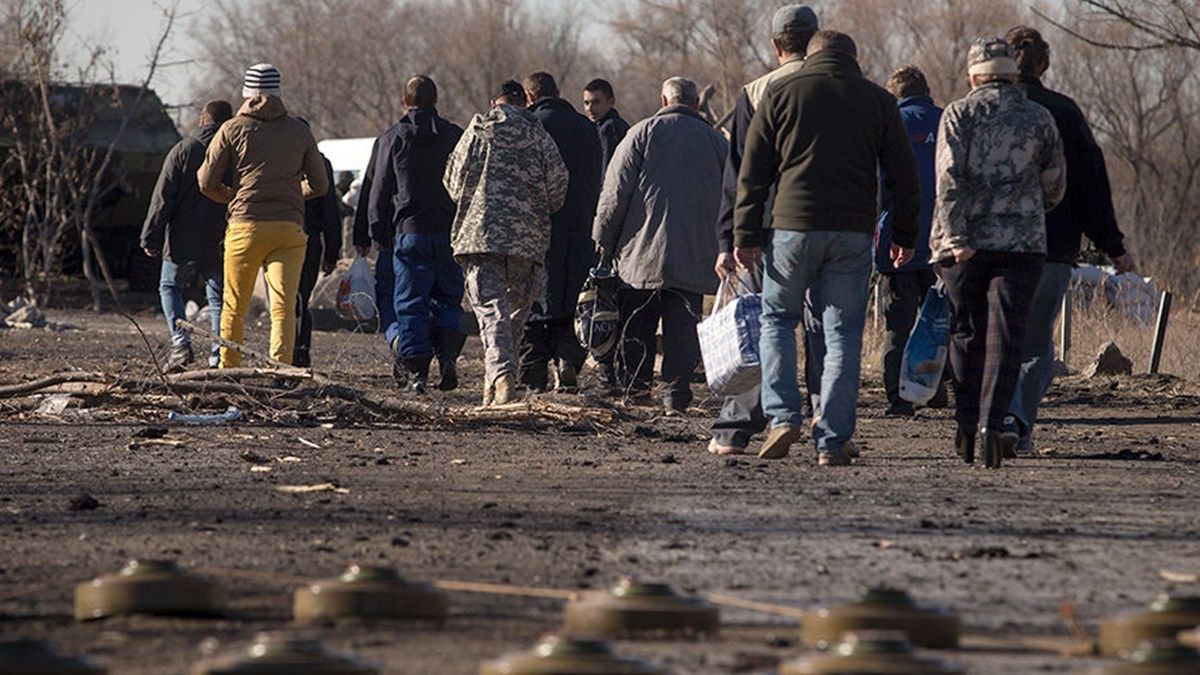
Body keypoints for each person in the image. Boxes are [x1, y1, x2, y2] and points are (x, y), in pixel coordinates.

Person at [734, 31, 921, 466]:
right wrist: (906, 236)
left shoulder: (781, 92)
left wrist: (745, 234)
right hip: (852, 233)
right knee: (841, 334)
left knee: (778, 320)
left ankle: (782, 417)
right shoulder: (878, 101)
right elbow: (904, 177)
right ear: (853, 58)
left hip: (791, 229)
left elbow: (753, 171)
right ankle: (832, 439)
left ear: (811, 55)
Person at [931, 37, 1066, 468]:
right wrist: (1024, 209)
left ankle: (967, 424)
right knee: (1007, 335)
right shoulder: (1039, 116)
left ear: (973, 76)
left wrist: (955, 237)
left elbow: (948, 178)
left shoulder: (958, 113)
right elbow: (1054, 183)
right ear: (1012, 73)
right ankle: (993, 423)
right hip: (1021, 243)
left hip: (964, 244)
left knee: (965, 331)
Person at [1003, 26, 1136, 452]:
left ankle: (997, 419)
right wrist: (1112, 245)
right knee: (1037, 344)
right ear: (1044, 63)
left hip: (991, 245)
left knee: (996, 336)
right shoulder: (1065, 112)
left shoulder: (982, 109)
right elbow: (1090, 185)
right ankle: (1018, 422)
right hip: (1052, 247)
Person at [709, 3, 818, 455]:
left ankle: (738, 428)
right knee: (824, 325)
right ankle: (825, 420)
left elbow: (739, 176)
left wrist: (729, 239)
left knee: (760, 324)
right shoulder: (845, 87)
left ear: (776, 46)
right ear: (816, 39)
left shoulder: (755, 92)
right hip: (830, 225)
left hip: (766, 229)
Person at [593, 77, 727, 413]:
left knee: (637, 321)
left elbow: (614, 196)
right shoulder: (716, 142)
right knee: (683, 326)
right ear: (696, 104)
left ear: (663, 101)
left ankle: (637, 390)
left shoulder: (640, 134)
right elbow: (735, 197)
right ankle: (676, 395)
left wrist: (602, 240)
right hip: (695, 256)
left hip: (640, 254)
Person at [444, 80, 568, 406]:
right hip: (528, 242)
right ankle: (497, 385)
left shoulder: (477, 130)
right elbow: (557, 190)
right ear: (524, 102)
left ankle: (500, 378)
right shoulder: (540, 136)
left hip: (480, 236)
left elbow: (453, 183)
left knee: (491, 314)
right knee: (513, 317)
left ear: (493, 102)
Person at [198, 63, 329, 367]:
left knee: (234, 306)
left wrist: (231, 196)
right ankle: (281, 369)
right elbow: (320, 184)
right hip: (288, 228)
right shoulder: (300, 130)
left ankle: (229, 369)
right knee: (283, 307)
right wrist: (294, 194)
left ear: (247, 93)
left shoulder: (231, 128)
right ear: (278, 92)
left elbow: (205, 182)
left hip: (245, 226)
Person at [368, 76, 466, 393]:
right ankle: (448, 357)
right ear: (436, 100)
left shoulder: (393, 138)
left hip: (409, 232)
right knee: (448, 296)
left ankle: (416, 372)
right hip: (449, 231)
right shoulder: (454, 135)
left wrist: (377, 232)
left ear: (404, 102)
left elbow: (379, 189)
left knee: (411, 301)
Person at [520, 72, 603, 392]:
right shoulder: (586, 128)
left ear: (530, 97)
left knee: (535, 303)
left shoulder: (529, 126)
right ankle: (568, 357)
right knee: (574, 300)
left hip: (538, 230)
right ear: (558, 93)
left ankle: (534, 377)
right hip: (581, 226)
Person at [876, 65, 948, 417]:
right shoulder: (948, 121)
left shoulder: (889, 125)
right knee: (940, 320)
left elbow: (878, 186)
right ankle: (936, 389)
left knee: (898, 323)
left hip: (898, 242)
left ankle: (900, 398)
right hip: (944, 242)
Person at [141, 100, 233, 371]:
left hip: (182, 237)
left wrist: (151, 236)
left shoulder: (183, 150)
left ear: (202, 121)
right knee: (217, 296)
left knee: (170, 287)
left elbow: (163, 197)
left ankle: (180, 345)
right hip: (221, 237)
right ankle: (219, 355)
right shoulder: (235, 153)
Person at [293, 144, 341, 368]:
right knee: (301, 298)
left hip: (281, 235)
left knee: (285, 300)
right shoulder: (321, 164)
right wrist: (332, 251)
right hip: (310, 239)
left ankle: (288, 352)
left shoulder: (279, 158)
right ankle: (301, 353)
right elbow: (330, 210)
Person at [583, 78, 630, 171]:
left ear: (611, 102)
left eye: (596, 102)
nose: (590, 108)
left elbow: (604, 169)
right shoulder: (604, 125)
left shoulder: (610, 128)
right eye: (586, 103)